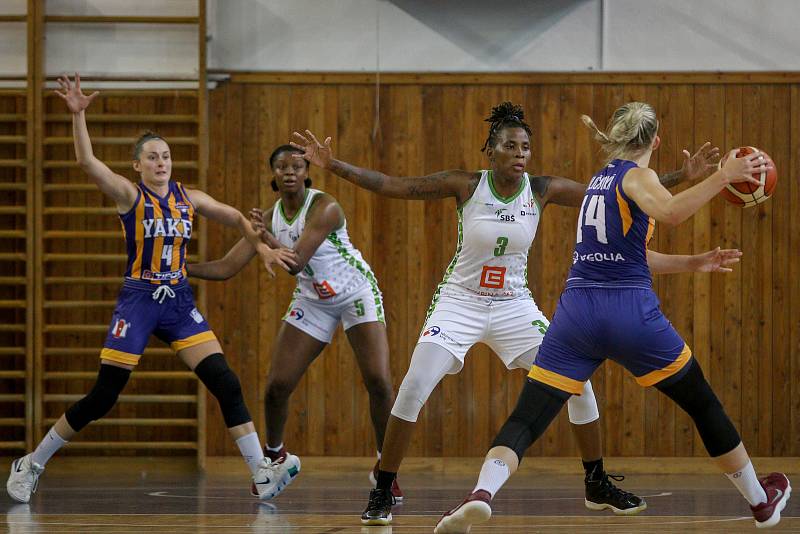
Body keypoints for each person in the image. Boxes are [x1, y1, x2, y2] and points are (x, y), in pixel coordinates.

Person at [290, 101, 718, 526]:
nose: (519, 154)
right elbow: (392, 184)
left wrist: (682, 177)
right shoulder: (465, 184)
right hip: (461, 303)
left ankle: (596, 482)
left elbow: (616, 191)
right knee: (413, 386)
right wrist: (335, 165)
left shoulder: (541, 189)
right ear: (490, 151)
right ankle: (383, 488)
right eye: (510, 146)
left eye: (525, 147)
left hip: (514, 305)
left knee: (580, 386)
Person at [434, 102, 791, 533]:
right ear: (655, 141)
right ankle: (760, 501)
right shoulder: (640, 176)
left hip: (577, 313)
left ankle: (481, 494)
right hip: (629, 312)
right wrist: (722, 177)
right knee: (702, 404)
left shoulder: (601, 181)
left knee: (527, 418)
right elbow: (672, 213)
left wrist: (693, 262)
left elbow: (634, 253)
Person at [6, 73, 296, 504]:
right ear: (138, 166)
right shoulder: (129, 196)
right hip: (139, 300)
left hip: (177, 300)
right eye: (153, 158)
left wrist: (262, 247)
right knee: (104, 395)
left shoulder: (189, 197)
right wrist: (78, 116)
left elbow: (236, 216)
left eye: (166, 156)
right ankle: (32, 462)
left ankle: (261, 472)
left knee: (225, 381)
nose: (162, 163)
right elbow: (87, 163)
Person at [187, 144, 397, 500]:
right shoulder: (268, 217)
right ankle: (274, 457)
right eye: (281, 166)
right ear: (273, 174)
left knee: (378, 380)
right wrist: (178, 269)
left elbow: (297, 261)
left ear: (306, 171)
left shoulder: (325, 206)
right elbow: (225, 268)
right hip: (313, 299)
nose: (289, 171)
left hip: (354, 291)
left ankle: (386, 468)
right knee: (277, 386)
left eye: (296, 166)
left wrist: (267, 241)